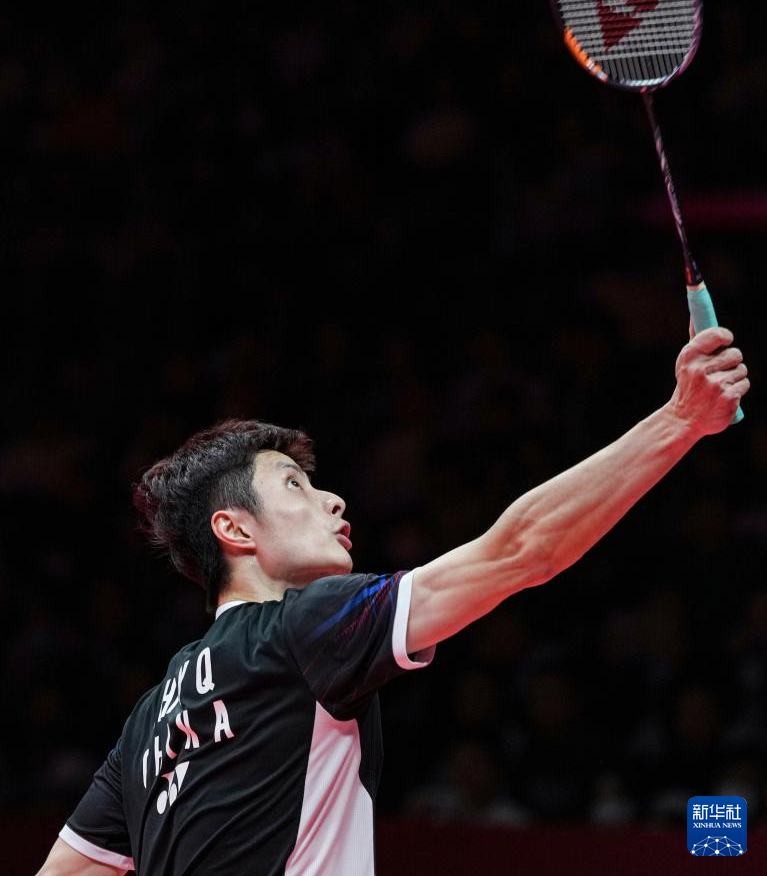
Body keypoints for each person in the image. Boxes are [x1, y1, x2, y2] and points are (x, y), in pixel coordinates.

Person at [35, 326, 748, 876]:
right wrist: (680, 419)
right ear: (235, 530)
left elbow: (66, 871)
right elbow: (520, 550)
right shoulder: (303, 625)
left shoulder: (150, 720)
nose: (333, 500)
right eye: (295, 485)